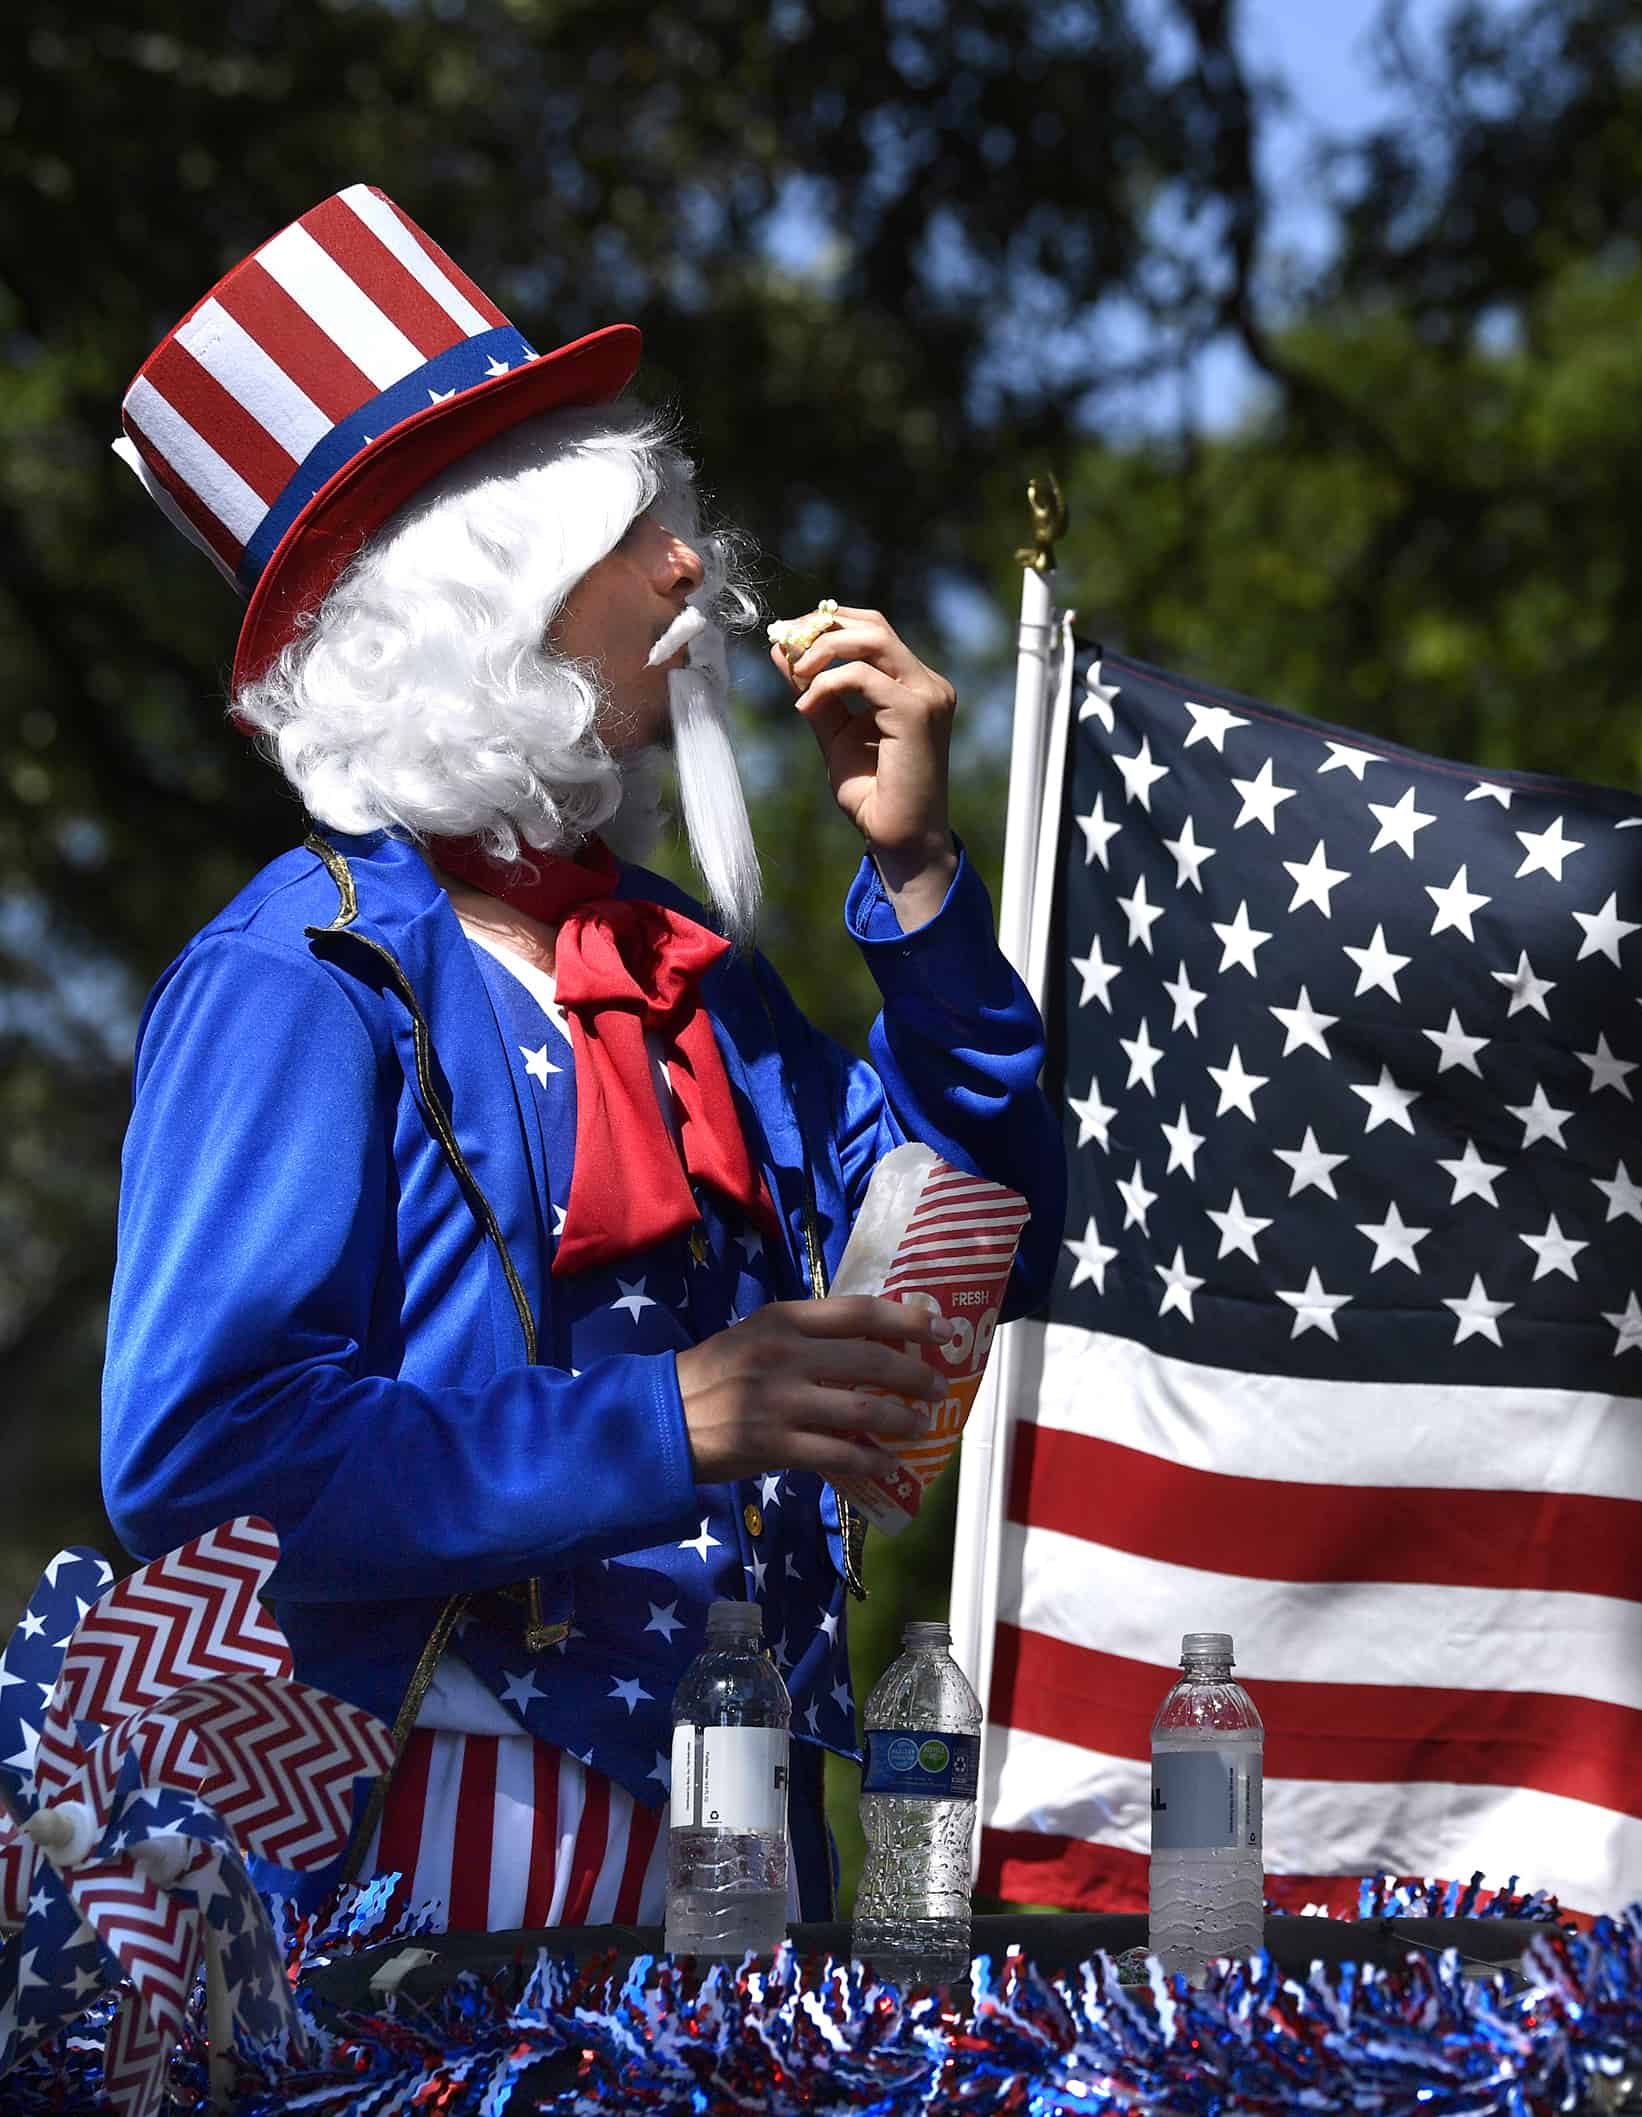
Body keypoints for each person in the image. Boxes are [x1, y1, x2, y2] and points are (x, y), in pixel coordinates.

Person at [95, 185, 1064, 1928]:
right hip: (421, 1885)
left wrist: (916, 883)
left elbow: (969, 1238)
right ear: (489, 589)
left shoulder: (679, 970)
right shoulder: (293, 972)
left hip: (749, 1859)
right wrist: (671, 1415)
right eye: (634, 532)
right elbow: (204, 1459)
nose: (691, 570)